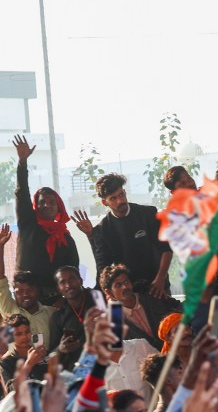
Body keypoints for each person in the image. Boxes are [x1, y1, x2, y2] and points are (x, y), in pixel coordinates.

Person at [12, 135, 80, 302]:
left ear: (59, 208)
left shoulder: (66, 239)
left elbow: (72, 273)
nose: (47, 205)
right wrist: (22, 163)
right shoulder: (28, 223)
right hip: (26, 299)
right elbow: (22, 192)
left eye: (52, 202)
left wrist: (63, 300)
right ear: (36, 205)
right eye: (42, 202)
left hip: (56, 303)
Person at [92, 173, 172, 297]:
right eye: (113, 198)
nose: (120, 200)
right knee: (121, 316)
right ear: (104, 202)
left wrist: (160, 280)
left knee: (170, 316)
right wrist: (110, 293)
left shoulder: (148, 214)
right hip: (126, 291)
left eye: (121, 195)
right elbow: (103, 268)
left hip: (158, 285)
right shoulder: (103, 230)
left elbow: (166, 250)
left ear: (124, 192)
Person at [99, 263, 182, 351]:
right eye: (118, 285)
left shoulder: (151, 296)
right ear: (109, 292)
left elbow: (178, 307)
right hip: (148, 362)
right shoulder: (113, 320)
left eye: (126, 281)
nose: (125, 287)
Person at [0, 225, 55, 346]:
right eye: (19, 291)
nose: (25, 294)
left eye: (30, 290)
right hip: (16, 365)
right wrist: (1, 247)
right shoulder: (10, 311)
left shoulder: (52, 313)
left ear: (38, 290)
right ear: (14, 293)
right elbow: (1, 282)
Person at [49, 265, 96, 370]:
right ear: (58, 288)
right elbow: (51, 354)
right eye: (62, 282)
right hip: (77, 370)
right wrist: (61, 349)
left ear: (80, 280)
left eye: (72, 279)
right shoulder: (57, 317)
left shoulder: (97, 301)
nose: (68, 285)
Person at [0, 314, 47, 389]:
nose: (24, 336)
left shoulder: (40, 353)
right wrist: (28, 365)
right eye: (18, 334)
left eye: (27, 332)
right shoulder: (5, 363)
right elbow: (10, 390)